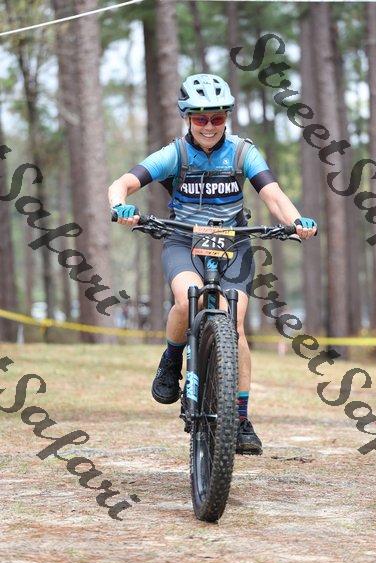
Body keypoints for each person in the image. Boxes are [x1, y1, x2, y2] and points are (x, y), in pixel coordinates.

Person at [108, 73, 317, 456]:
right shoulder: (174, 154)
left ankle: (240, 419)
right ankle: (172, 359)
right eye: (200, 118)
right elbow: (121, 183)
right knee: (187, 299)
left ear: (227, 118)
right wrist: (120, 206)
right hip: (183, 240)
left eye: (217, 118)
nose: (209, 126)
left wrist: (297, 221)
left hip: (232, 242)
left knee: (234, 325)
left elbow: (273, 195)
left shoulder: (242, 153)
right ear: (187, 117)